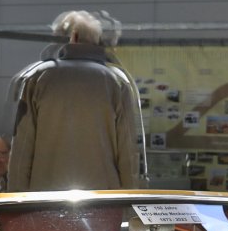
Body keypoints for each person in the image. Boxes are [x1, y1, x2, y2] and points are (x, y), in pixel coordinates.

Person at [8, 10, 141, 191]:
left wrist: (16, 198)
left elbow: (22, 151)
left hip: (45, 198)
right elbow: (128, 154)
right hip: (103, 198)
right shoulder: (115, 81)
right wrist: (130, 200)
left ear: (73, 37)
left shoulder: (38, 78)